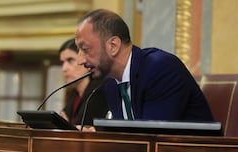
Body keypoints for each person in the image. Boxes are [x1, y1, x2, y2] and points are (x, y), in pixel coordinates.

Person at [75, 9, 214, 122]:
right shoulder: (111, 84)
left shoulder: (160, 69)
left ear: (113, 45)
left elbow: (152, 138)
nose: (80, 60)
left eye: (86, 49)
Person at [58, 38, 109, 126]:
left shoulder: (99, 92)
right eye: (63, 62)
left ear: (86, 61)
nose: (64, 68)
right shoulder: (74, 94)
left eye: (70, 60)